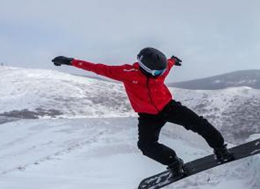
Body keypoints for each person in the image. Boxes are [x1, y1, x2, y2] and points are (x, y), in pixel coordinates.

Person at [52, 47, 232, 178]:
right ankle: (174, 163)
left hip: (169, 106)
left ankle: (221, 150)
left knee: (200, 124)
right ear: (143, 67)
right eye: (155, 71)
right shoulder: (126, 72)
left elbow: (168, 64)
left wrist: (173, 61)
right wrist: (70, 61)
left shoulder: (162, 70)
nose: (159, 74)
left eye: (161, 71)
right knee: (146, 146)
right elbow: (96, 67)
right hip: (147, 115)